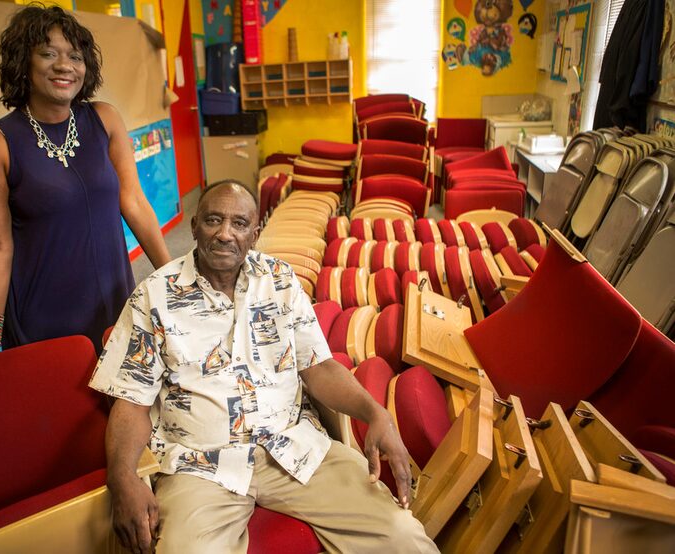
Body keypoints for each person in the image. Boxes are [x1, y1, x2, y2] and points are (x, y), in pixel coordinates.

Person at [90, 181, 438, 554]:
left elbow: (318, 368)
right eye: (213, 220)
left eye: (239, 223)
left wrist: (375, 412)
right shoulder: (153, 295)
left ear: (254, 234)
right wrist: (122, 476)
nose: (225, 234)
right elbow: (131, 401)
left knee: (403, 537)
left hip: (293, 445)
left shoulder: (281, 281)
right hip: (201, 464)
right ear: (193, 226)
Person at [0, 5, 170, 387]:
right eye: (48, 53)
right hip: (45, 314)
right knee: (63, 415)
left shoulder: (105, 120)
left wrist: (174, 276)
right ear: (24, 61)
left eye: (74, 55)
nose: (64, 65)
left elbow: (133, 202)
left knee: (126, 403)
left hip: (112, 299)